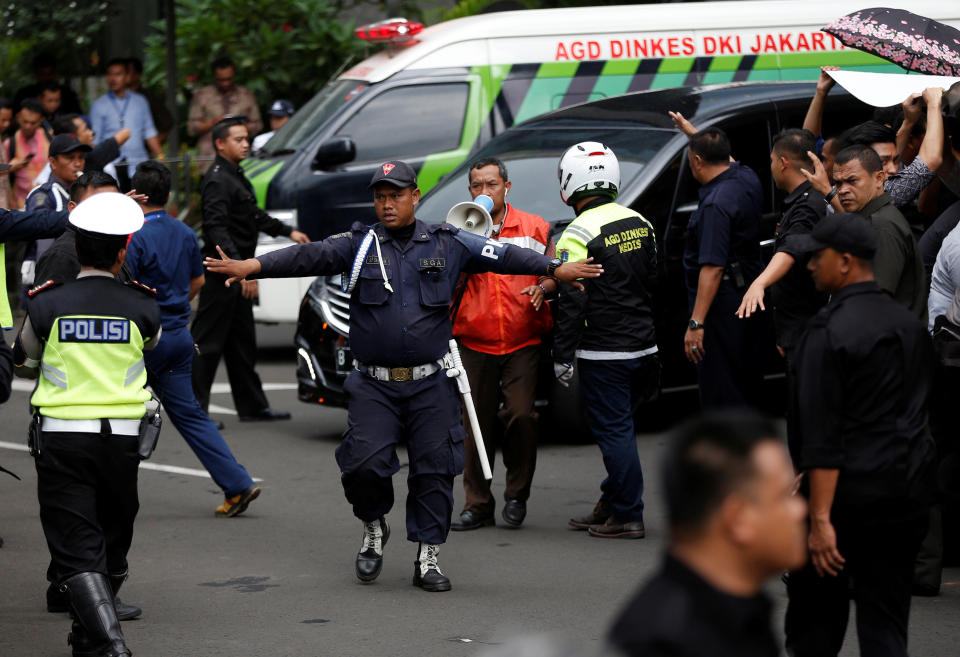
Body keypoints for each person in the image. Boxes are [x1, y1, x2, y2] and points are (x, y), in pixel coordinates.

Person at [203, 159, 600, 591]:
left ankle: (427, 556)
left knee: (433, 470)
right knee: (365, 466)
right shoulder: (359, 244)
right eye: (380, 197)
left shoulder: (447, 243)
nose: (387, 204)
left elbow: (503, 254)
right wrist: (252, 266)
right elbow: (308, 254)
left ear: (415, 196)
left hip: (430, 383)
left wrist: (552, 269)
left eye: (396, 195)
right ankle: (374, 527)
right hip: (374, 384)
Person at [12, 192, 161, 657]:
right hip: (122, 439)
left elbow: (23, 360)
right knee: (114, 531)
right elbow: (151, 348)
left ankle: (107, 644)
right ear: (123, 251)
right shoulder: (144, 306)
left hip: (62, 439)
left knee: (76, 542)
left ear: (76, 249)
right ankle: (91, 634)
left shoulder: (46, 303)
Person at [785, 213, 936, 657]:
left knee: (815, 626)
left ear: (846, 261)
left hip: (844, 499)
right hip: (904, 495)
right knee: (886, 625)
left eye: (818, 256)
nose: (810, 265)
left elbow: (823, 434)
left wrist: (819, 519)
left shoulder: (826, 332)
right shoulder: (909, 325)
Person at [607, 412, 808, 657]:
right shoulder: (667, 641)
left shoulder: (739, 610)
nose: (801, 509)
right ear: (737, 518)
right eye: (783, 498)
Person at [125, 161, 261, 517]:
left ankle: (106, 495)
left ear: (135, 194)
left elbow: (125, 291)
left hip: (140, 341)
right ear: (169, 196)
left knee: (120, 414)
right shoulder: (185, 232)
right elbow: (198, 283)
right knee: (191, 416)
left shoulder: (131, 234)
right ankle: (237, 484)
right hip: (178, 336)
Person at [554, 142, 658, 539]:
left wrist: (561, 357)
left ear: (569, 183)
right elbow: (651, 282)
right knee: (623, 427)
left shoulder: (576, 233)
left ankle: (628, 514)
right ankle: (611, 503)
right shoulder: (641, 222)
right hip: (645, 347)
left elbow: (571, 301)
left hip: (605, 351)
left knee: (614, 432)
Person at [450, 157, 555, 531]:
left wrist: (543, 287)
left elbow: (554, 269)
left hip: (521, 338)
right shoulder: (458, 229)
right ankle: (477, 504)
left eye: (491, 184)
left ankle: (517, 495)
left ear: (506, 187)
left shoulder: (534, 226)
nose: (483, 192)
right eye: (477, 186)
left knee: (521, 417)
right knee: (473, 425)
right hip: (474, 342)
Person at [192, 117, 308, 422]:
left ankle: (252, 406)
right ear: (220, 143)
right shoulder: (217, 179)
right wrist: (238, 268)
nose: (245, 144)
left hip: (239, 268)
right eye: (238, 139)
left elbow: (251, 215)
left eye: (246, 138)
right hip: (225, 272)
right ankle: (194, 412)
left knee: (242, 343)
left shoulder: (234, 175)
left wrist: (287, 231)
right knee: (207, 344)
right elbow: (216, 228)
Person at [682, 127, 765, 408]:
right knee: (747, 380)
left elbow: (713, 269)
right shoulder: (746, 177)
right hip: (749, 295)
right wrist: (693, 135)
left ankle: (731, 447)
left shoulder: (714, 206)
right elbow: (724, 158)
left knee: (723, 387)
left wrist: (696, 323)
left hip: (722, 304)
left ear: (696, 161)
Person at [736, 129, 828, 357]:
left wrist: (759, 283)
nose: (771, 167)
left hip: (807, 332)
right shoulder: (801, 198)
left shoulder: (808, 205)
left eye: (771, 161)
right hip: (796, 330)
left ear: (783, 163)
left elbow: (791, 248)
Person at [828, 144, 927, 319]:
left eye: (852, 181)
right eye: (838, 183)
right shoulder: (870, 220)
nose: (842, 190)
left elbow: (875, 305)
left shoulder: (881, 227)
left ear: (879, 178)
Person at [35, 172, 122, 286]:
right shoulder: (59, 257)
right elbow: (50, 302)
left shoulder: (115, 245)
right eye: (96, 204)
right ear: (73, 208)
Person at [88, 58, 164, 183]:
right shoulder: (98, 105)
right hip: (110, 168)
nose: (113, 79)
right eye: (110, 74)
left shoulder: (140, 101)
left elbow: (149, 132)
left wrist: (161, 158)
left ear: (127, 77)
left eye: (118, 74)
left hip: (139, 165)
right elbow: (94, 140)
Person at [187, 57, 263, 173]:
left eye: (229, 79)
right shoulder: (202, 96)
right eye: (221, 80)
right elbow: (191, 128)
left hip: (241, 161)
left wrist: (239, 127)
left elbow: (258, 125)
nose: (226, 83)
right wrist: (213, 123)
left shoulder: (246, 95)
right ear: (214, 77)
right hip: (210, 160)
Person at [29, 114, 132, 186]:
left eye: (81, 157)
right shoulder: (45, 189)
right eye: (69, 158)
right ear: (53, 162)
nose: (77, 164)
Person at [4, 99, 51, 208]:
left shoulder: (49, 140)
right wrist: (11, 167)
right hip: (20, 202)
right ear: (18, 118)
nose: (28, 126)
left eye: (33, 123)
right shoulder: (10, 143)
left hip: (47, 202)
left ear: (40, 121)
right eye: (25, 121)